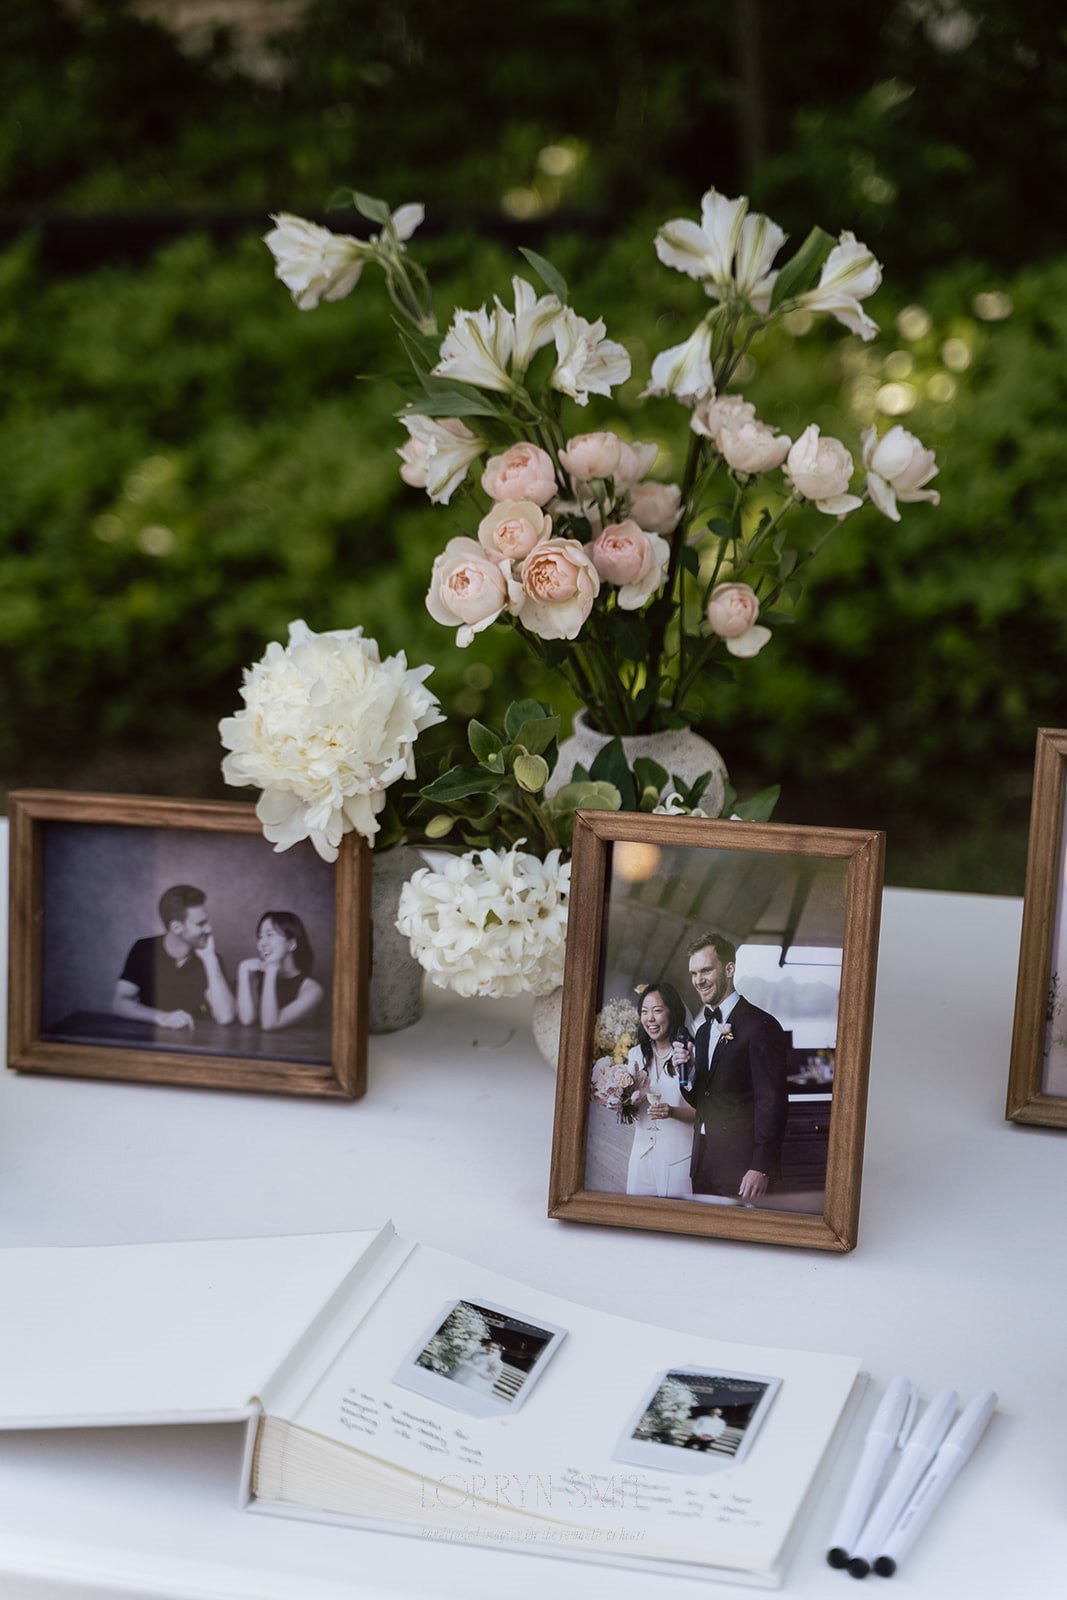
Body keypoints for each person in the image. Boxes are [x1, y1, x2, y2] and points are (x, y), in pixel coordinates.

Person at [675, 931, 788, 1203]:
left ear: (729, 969)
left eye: (705, 970)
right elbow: (703, 1098)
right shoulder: (702, 1032)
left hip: (743, 1169)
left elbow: (772, 1102)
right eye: (693, 973)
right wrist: (687, 1075)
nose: (698, 980)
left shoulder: (761, 1025)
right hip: (703, 1164)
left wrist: (761, 1166)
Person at [113, 884, 235, 1030]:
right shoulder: (143, 949)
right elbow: (119, 1003)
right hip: (149, 1045)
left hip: (195, 1047)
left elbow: (225, 1017)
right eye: (201, 924)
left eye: (207, 921)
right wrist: (162, 1017)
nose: (209, 929)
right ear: (177, 927)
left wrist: (209, 958)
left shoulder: (211, 959)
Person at [624, 983, 696, 1199]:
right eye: (645, 1012)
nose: (650, 1019)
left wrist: (672, 1112)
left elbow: (703, 1112)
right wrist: (621, 1101)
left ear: (672, 1012)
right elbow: (630, 1108)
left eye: (657, 1011)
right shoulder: (635, 1055)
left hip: (679, 1161)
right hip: (641, 1159)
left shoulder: (690, 1053)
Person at [236, 911, 324, 1031]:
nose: (262, 943)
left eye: (270, 935)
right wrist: (243, 971)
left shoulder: (313, 990)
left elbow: (270, 1024)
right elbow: (247, 1020)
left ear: (291, 944)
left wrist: (272, 970)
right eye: (260, 936)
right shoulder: (257, 977)